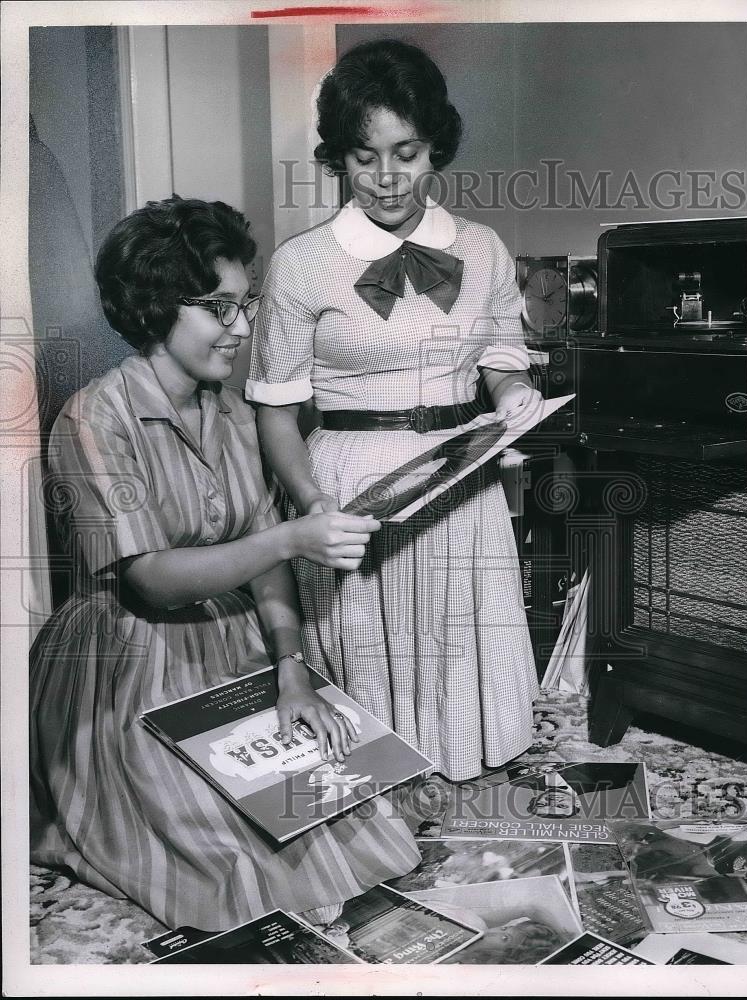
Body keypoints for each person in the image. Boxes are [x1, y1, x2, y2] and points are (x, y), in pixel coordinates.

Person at [29, 196, 420, 933]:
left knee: (356, 814)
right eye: (217, 308)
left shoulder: (235, 413)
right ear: (152, 305)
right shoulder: (92, 419)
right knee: (220, 848)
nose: (242, 329)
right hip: (123, 657)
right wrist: (288, 542)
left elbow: (264, 552)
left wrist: (292, 668)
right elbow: (148, 581)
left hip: (227, 642)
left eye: (246, 305)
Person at [248, 39, 542, 782]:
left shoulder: (482, 248)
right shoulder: (300, 263)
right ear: (338, 158)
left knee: (456, 645)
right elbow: (276, 413)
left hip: (462, 473)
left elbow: (501, 354)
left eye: (405, 154)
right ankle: (374, 794)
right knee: (370, 655)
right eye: (362, 156)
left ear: (434, 146)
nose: (385, 178)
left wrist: (511, 398)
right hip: (351, 483)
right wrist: (316, 506)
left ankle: (465, 769)